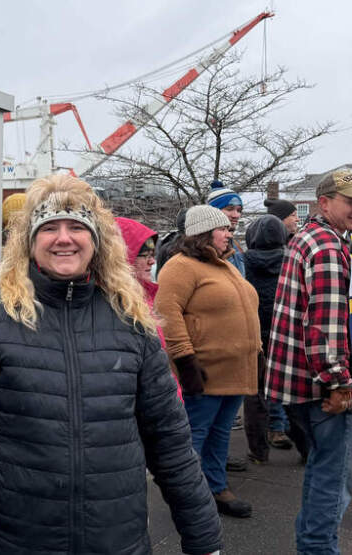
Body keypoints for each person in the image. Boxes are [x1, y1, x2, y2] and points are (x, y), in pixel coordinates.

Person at [0, 174, 222, 555]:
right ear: (30, 242)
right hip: (17, 541)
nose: (63, 238)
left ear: (96, 241)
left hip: (118, 542)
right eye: (49, 227)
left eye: (76, 226)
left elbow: (170, 440)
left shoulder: (130, 317)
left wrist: (204, 538)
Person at [265, 167, 352, 555]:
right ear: (325, 202)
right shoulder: (329, 247)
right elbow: (326, 324)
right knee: (333, 482)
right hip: (328, 389)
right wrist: (338, 382)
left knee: (322, 476)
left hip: (303, 382)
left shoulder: (313, 238)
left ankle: (312, 547)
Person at [156, 205, 261, 519]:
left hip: (235, 370)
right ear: (203, 232)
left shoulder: (225, 266)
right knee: (195, 436)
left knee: (221, 432)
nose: (230, 234)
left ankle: (216, 488)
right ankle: (187, 496)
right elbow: (167, 316)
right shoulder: (180, 267)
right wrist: (185, 361)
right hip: (204, 370)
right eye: (224, 230)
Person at [242, 214, 297, 462]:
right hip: (284, 334)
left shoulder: (243, 263)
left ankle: (259, 451)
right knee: (292, 393)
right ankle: (304, 444)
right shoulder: (292, 261)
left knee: (255, 395)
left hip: (255, 336)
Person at [116, 216, 181, 399]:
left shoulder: (143, 299)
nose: (152, 262)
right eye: (145, 255)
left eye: (153, 255)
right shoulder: (117, 306)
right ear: (122, 256)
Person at [206, 180, 245, 276]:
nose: (236, 215)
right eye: (229, 209)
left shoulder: (235, 245)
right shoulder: (201, 247)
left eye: (239, 210)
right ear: (214, 211)